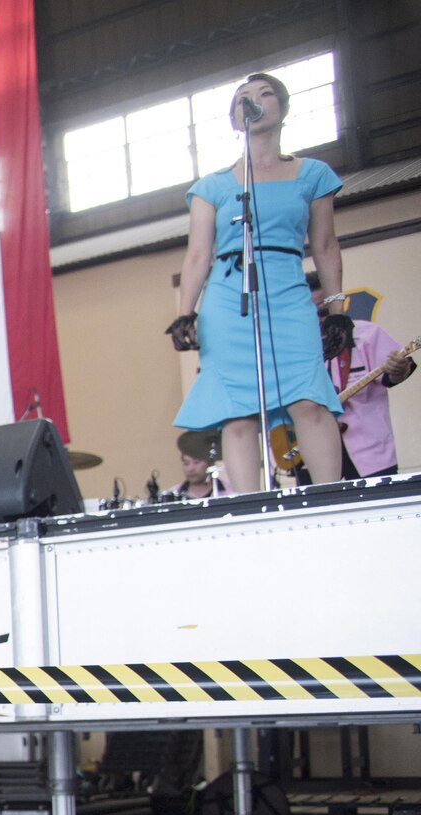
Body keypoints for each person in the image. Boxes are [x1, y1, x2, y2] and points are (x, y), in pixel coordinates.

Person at [168, 73, 345, 493]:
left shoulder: (313, 174)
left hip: (287, 287)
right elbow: (197, 255)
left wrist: (337, 311)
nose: (254, 100)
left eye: (265, 93)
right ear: (235, 119)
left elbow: (324, 244)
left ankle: (330, 502)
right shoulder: (211, 187)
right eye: (243, 97)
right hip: (228, 298)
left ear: (282, 109)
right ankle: (248, 511)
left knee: (309, 399)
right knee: (239, 411)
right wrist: (184, 313)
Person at [309, 272, 414, 479]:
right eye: (312, 310)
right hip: (314, 455)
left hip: (370, 453)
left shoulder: (366, 333)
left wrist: (398, 367)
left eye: (323, 308)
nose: (319, 315)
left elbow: (397, 373)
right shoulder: (294, 346)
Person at [163, 432, 232, 501]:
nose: (190, 468)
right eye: (186, 463)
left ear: (209, 463)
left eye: (196, 462)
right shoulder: (172, 495)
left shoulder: (230, 491)